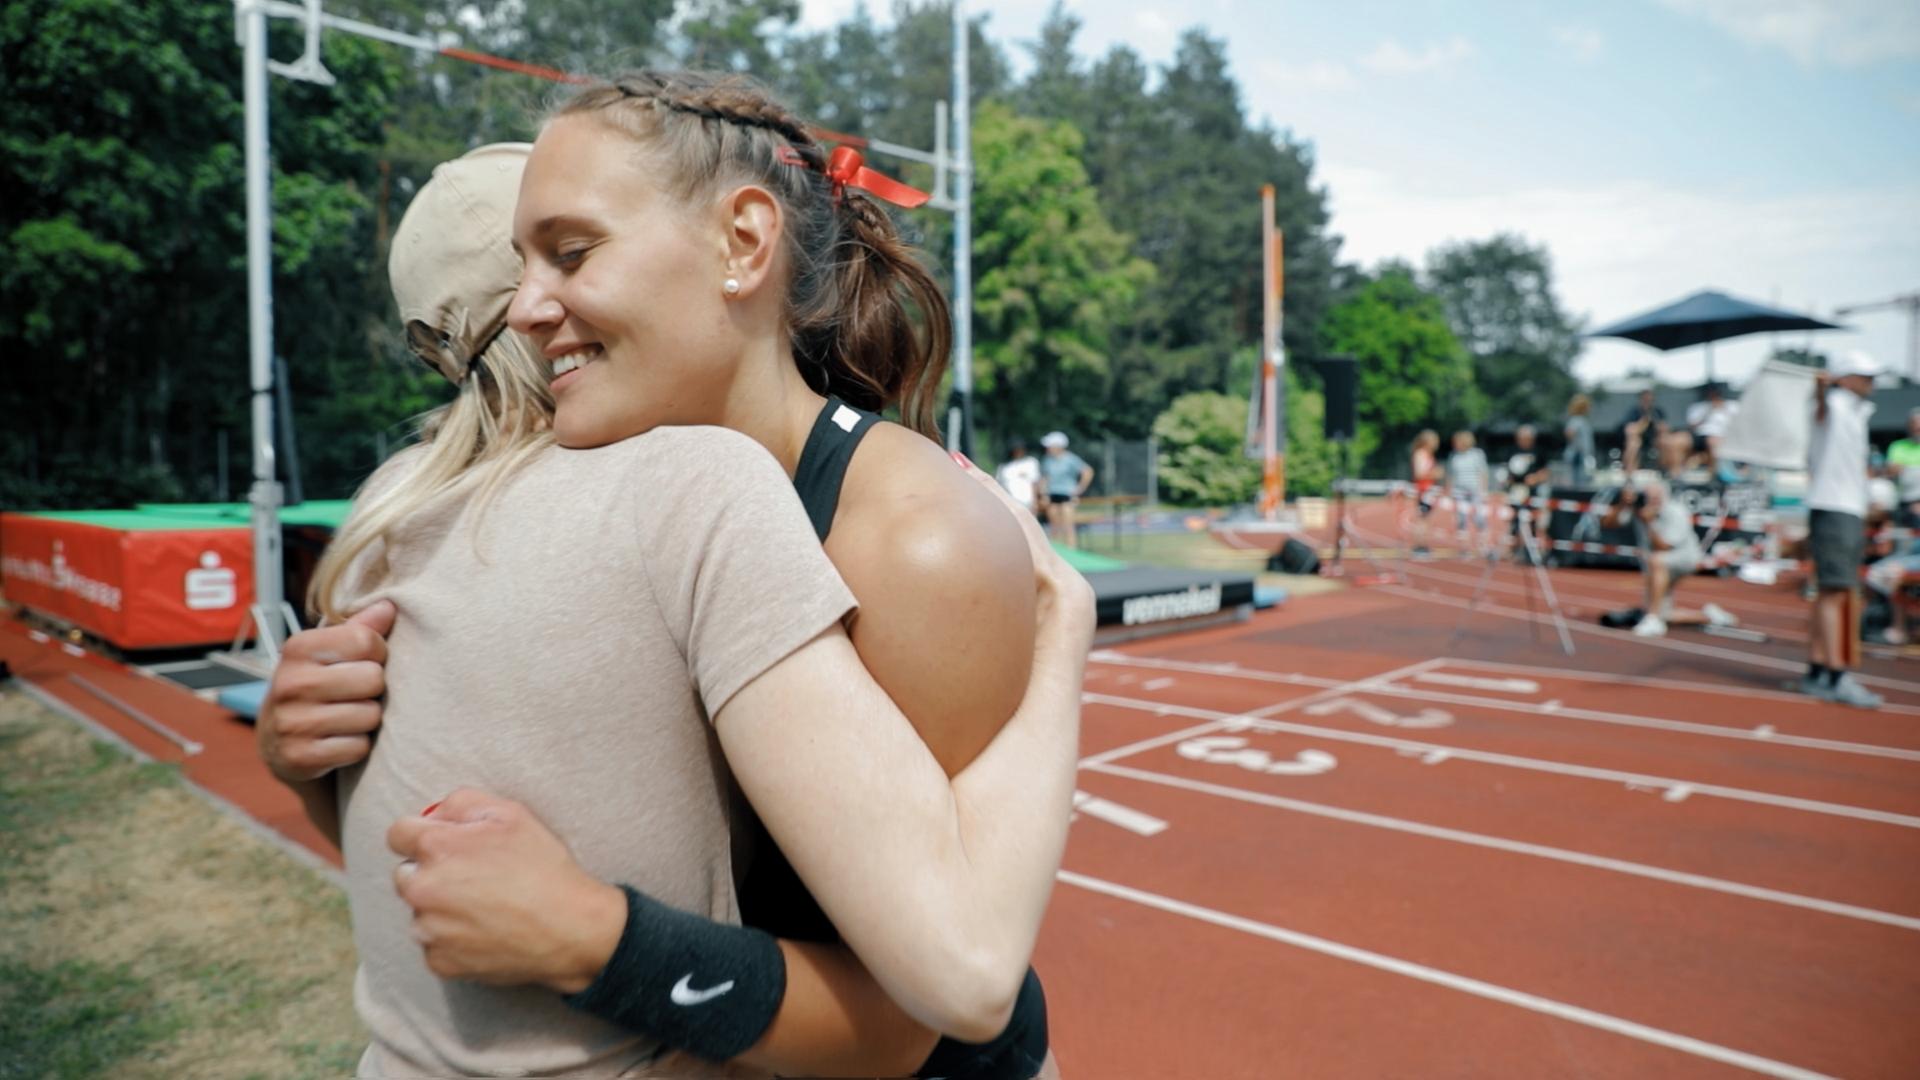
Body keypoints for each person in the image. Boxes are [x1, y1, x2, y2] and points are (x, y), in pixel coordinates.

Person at [260, 93, 1084, 1080]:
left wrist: (593, 941)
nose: (526, 310)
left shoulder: (906, 543)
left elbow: (923, 1007)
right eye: (520, 268)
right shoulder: (632, 510)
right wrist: (322, 761)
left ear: (742, 244)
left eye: (570, 253)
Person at [1801, 351, 1885, 708]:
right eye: (1864, 376)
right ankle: (1838, 675)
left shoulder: (1856, 410)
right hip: (1835, 507)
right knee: (1837, 593)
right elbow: (1820, 408)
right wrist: (1821, 389)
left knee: (1830, 594)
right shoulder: (1833, 404)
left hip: (1844, 507)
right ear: (1845, 378)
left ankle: (1819, 670)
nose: (1871, 383)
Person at [1601, 479, 1738, 637]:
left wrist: (1649, 522)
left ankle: (1653, 620)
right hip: (1657, 562)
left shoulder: (1676, 511)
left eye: (1655, 497)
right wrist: (1623, 504)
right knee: (1663, 612)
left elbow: (1663, 546)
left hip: (1684, 558)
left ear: (1663, 495)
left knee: (1657, 561)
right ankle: (1710, 616)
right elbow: (1607, 523)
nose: (1652, 501)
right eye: (1648, 497)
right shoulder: (1639, 509)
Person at [1502, 424, 1551, 560]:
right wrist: (1508, 481)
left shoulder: (1539, 451)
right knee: (1515, 519)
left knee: (1533, 518)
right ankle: (1514, 549)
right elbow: (1507, 471)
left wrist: (1535, 478)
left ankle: (1533, 549)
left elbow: (1546, 472)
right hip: (1517, 490)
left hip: (1533, 491)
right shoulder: (1511, 450)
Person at [1038, 431, 1093, 548]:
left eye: (1050, 445)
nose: (1047, 448)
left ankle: (1072, 553)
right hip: (1052, 494)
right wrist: (1043, 493)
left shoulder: (1071, 459)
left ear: (1058, 446)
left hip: (1067, 495)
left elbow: (1087, 471)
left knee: (1068, 525)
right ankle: (1056, 554)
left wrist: (1079, 489)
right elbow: (1044, 478)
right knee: (1054, 526)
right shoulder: (1047, 460)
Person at [1445, 430, 1491, 558]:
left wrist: (1483, 491)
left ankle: (1483, 546)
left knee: (1479, 518)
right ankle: (1464, 549)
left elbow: (1483, 472)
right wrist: (1449, 491)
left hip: (1475, 491)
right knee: (1461, 520)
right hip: (1459, 492)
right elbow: (1451, 474)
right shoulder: (1454, 456)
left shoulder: (1477, 454)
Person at [1408, 429, 1442, 559]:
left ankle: (1422, 545)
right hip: (1424, 491)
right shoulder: (1420, 454)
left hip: (1429, 491)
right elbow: (1419, 474)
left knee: (1425, 519)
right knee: (1422, 519)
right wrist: (1435, 473)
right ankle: (1419, 547)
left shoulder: (1427, 454)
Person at [1885, 407, 1920, 528]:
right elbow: (1891, 471)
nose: (1917, 428)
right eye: (1914, 425)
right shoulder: (1897, 447)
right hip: (1905, 501)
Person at [1619, 387, 1667, 475]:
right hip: (1639, 438)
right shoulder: (1634, 412)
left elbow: (1665, 428)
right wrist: (1644, 422)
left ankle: (1665, 471)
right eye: (1645, 399)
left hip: (1654, 438)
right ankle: (1629, 472)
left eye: (1650, 399)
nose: (1648, 401)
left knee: (1666, 441)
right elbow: (1630, 430)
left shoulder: (1657, 412)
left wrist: (1657, 424)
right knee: (1633, 444)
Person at [995, 441, 1043, 517]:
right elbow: (999, 485)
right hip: (1010, 502)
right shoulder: (1004, 466)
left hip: (1028, 501)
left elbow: (1035, 482)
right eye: (1016, 450)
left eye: (1020, 449)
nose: (1018, 452)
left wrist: (1035, 502)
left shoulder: (1031, 462)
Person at [1562, 394, 1595, 487]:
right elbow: (1569, 433)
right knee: (1577, 480)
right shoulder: (1576, 420)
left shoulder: (1582, 420)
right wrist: (1578, 446)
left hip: (1582, 455)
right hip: (1578, 455)